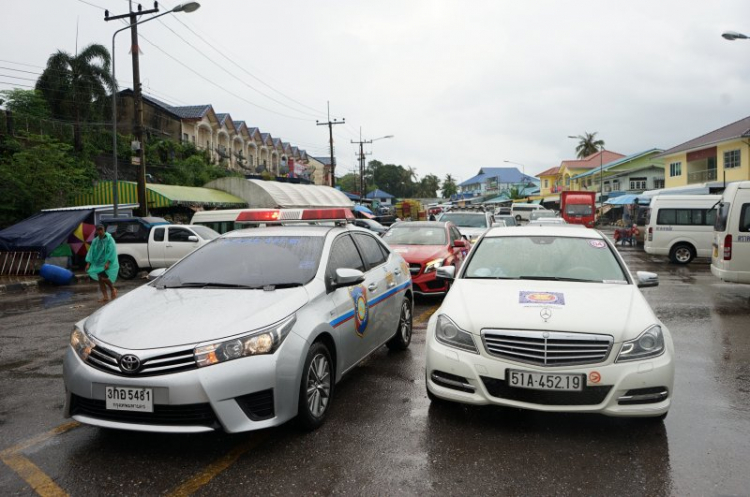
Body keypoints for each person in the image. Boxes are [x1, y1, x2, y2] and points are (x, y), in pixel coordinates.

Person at [85, 224, 120, 303]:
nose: (100, 231)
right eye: (98, 230)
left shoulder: (109, 239)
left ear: (104, 229)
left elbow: (111, 251)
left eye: (101, 229)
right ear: (96, 231)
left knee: (104, 278)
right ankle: (105, 296)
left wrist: (107, 262)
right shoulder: (95, 241)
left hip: (106, 262)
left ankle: (113, 289)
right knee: (100, 280)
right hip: (97, 263)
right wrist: (88, 263)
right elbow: (91, 252)